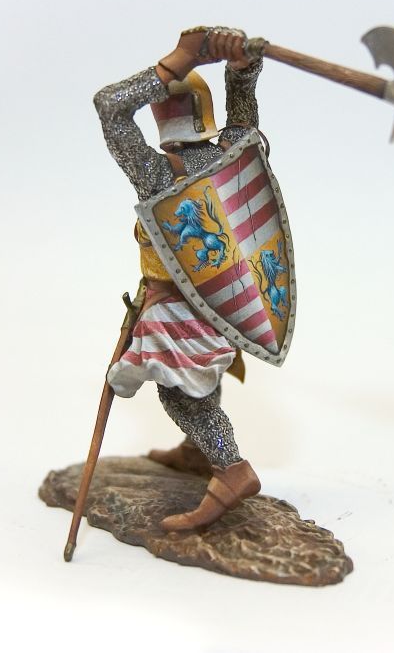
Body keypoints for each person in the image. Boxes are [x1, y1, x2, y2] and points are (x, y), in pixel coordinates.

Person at [92, 26, 264, 531]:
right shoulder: (237, 150)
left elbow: (109, 107)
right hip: (228, 300)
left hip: (178, 303)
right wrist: (242, 70)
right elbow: (243, 118)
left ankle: (231, 469)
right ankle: (197, 450)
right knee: (203, 374)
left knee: (177, 389)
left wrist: (179, 58)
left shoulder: (159, 172)